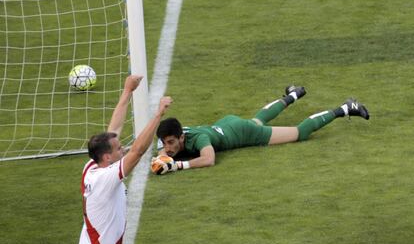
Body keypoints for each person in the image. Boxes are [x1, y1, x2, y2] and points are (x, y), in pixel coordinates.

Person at [152, 85, 369, 174]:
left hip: (243, 133)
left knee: (299, 133)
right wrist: (162, 158)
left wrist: (178, 165)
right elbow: (162, 151)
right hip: (227, 124)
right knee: (257, 120)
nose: (168, 147)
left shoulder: (198, 140)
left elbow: (208, 159)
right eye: (166, 143)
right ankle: (293, 94)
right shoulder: (174, 138)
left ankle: (344, 108)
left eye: (172, 142)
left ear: (182, 137)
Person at [72, 75, 172, 244]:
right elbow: (138, 150)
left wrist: (127, 91)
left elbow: (114, 128)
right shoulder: (105, 178)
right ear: (107, 157)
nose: (123, 149)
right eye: (118, 149)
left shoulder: (92, 166)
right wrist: (159, 114)